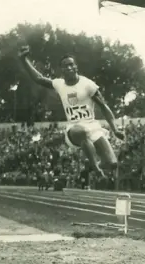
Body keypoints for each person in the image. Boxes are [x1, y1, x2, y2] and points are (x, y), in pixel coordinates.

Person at [19, 46, 125, 186]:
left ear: (76, 67)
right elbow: (39, 78)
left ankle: (91, 166)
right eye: (65, 66)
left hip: (92, 126)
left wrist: (115, 128)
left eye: (71, 65)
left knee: (112, 163)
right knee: (82, 132)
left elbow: (104, 107)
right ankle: (94, 166)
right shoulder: (59, 84)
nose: (69, 68)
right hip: (74, 128)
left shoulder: (88, 84)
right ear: (61, 71)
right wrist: (24, 60)